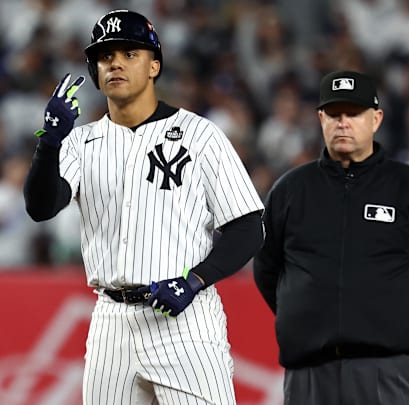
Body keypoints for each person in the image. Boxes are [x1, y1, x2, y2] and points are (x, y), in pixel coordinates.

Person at [23, 10, 264, 404]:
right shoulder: (80, 143)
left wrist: (195, 281)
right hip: (110, 322)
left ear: (154, 65)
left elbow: (249, 226)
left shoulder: (200, 135)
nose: (115, 62)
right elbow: (41, 207)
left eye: (129, 53)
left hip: (185, 322)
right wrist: (48, 143)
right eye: (105, 56)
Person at [253, 70, 409, 405]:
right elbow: (266, 270)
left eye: (354, 114)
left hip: (387, 369)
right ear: (320, 119)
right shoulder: (289, 191)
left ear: (376, 119)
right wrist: (305, 318)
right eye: (334, 114)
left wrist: (396, 326)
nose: (343, 123)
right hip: (309, 370)